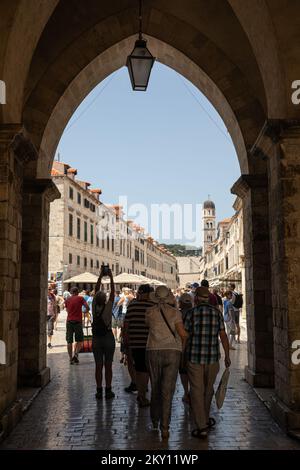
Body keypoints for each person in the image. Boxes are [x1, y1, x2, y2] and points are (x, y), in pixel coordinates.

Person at [184, 286, 231, 440]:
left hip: (194, 358)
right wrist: (227, 355)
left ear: (196, 298)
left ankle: (202, 426)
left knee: (196, 391)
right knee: (208, 389)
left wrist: (181, 354)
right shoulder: (216, 313)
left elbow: (185, 336)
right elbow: (223, 335)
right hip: (212, 358)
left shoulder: (191, 313)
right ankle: (204, 418)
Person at [145, 286, 188, 440]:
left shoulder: (149, 312)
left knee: (155, 386)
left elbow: (149, 326)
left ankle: (155, 420)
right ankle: (165, 428)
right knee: (167, 390)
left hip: (153, 350)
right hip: (172, 351)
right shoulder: (176, 313)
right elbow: (183, 334)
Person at [123, 284, 154, 407]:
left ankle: (141, 395)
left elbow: (126, 326)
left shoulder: (132, 306)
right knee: (150, 371)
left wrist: (126, 342)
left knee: (140, 370)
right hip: (150, 343)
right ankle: (148, 396)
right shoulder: (152, 306)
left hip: (135, 343)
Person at [92, 266, 115, 400]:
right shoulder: (108, 306)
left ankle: (99, 390)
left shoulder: (94, 307)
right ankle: (109, 390)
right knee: (108, 365)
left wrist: (101, 276)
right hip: (107, 336)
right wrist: (111, 277)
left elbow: (96, 290)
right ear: (105, 299)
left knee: (98, 365)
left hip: (96, 337)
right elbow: (112, 292)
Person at [65, 287, 89, 364]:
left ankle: (70, 358)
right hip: (78, 321)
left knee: (69, 341)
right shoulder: (80, 298)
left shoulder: (67, 299)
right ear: (78, 292)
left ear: (71, 292)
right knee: (80, 340)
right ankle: (76, 354)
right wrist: (83, 311)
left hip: (69, 321)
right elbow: (87, 308)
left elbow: (67, 310)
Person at [178, 293, 193, 404]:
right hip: (194, 346)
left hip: (182, 346)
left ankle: (186, 392)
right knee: (193, 370)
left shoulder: (177, 314)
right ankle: (193, 392)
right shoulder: (195, 313)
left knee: (183, 371)